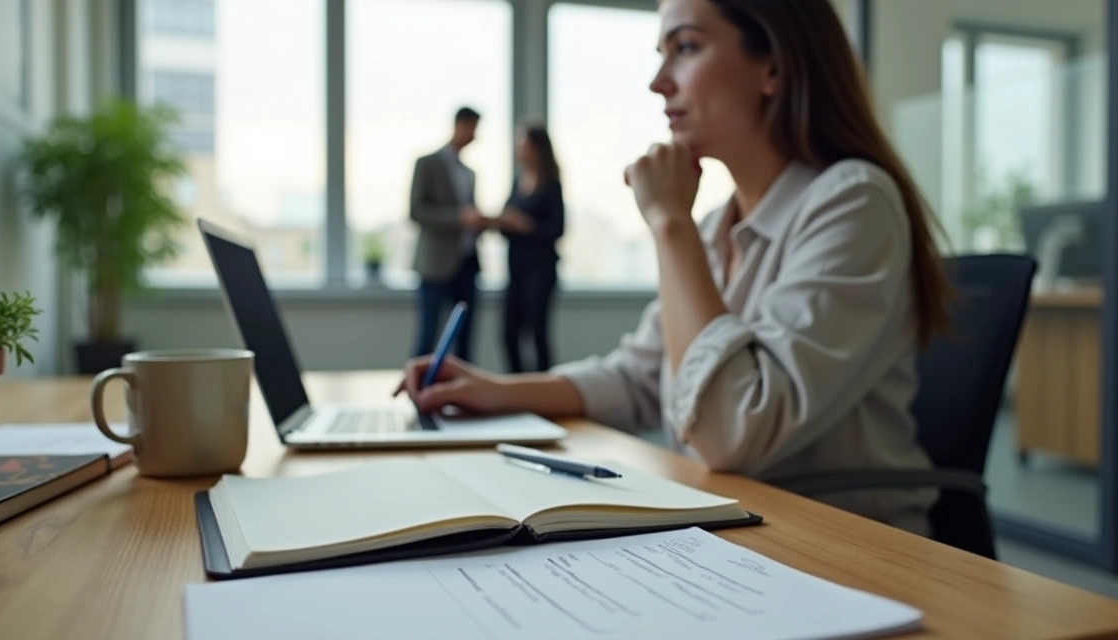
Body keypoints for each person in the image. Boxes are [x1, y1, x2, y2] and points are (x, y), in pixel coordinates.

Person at [398, 0, 952, 536]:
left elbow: (733, 430)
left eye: (685, 47)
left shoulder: (852, 201)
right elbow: (638, 377)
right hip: (734, 525)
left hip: (843, 548)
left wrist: (668, 223)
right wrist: (495, 391)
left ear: (774, 66)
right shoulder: (713, 227)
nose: (659, 81)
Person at [409, 106, 492, 362]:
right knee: (428, 337)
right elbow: (416, 210)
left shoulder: (469, 172)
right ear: (461, 125)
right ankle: (419, 395)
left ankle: (463, 396)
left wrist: (480, 222)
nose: (475, 136)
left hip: (467, 263)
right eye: (473, 128)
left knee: (466, 339)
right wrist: (458, 217)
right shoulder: (427, 164)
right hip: (436, 264)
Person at [497, 124, 565, 373]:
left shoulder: (551, 185)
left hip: (540, 271)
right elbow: (505, 223)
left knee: (537, 334)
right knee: (508, 334)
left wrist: (527, 226)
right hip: (516, 270)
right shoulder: (518, 182)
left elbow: (557, 230)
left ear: (536, 148)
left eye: (522, 143)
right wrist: (505, 223)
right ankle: (517, 389)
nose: (518, 148)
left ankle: (542, 391)